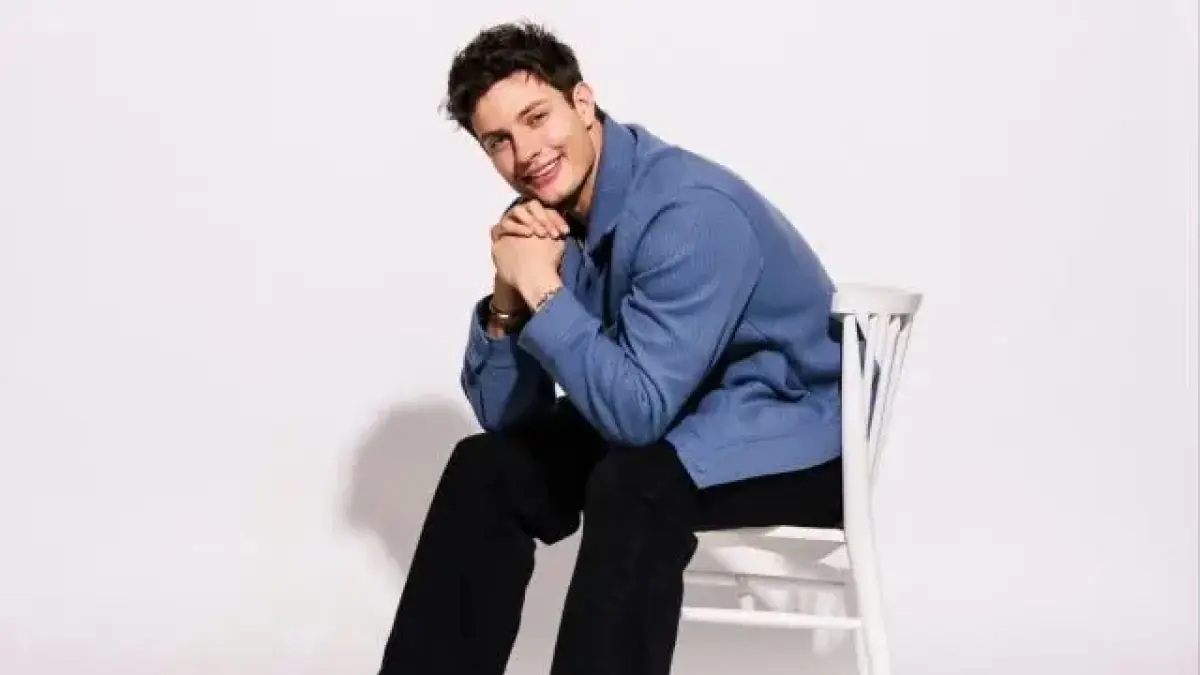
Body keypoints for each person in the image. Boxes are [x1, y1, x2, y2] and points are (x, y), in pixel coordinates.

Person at [378, 20, 846, 675]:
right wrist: (508, 299)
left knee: (631, 485)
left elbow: (637, 417)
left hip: (792, 437)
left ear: (582, 102)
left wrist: (543, 291)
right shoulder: (550, 219)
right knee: (487, 467)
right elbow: (510, 419)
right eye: (499, 141)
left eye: (537, 117)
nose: (526, 153)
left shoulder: (689, 212)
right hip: (668, 410)